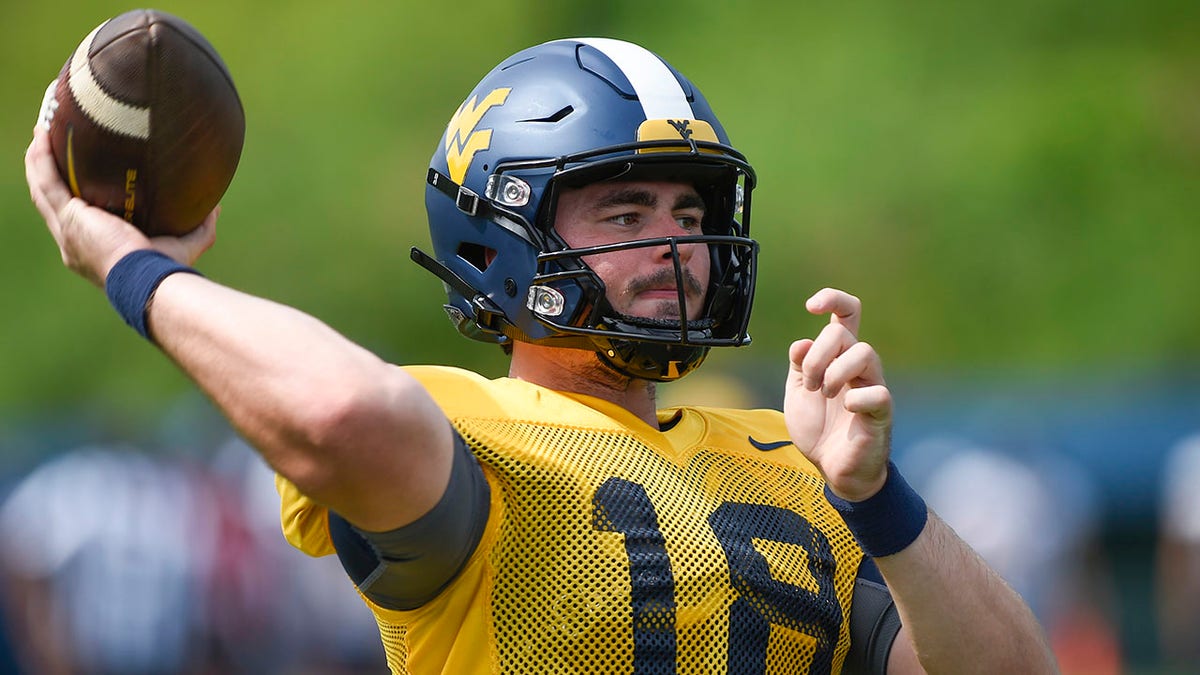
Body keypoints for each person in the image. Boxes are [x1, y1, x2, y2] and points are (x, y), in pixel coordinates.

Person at [25, 36, 1057, 674]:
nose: (676, 245)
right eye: (624, 209)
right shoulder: (472, 430)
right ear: (502, 239)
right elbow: (343, 415)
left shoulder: (798, 464)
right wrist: (134, 268)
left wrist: (878, 498)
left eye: (690, 211)